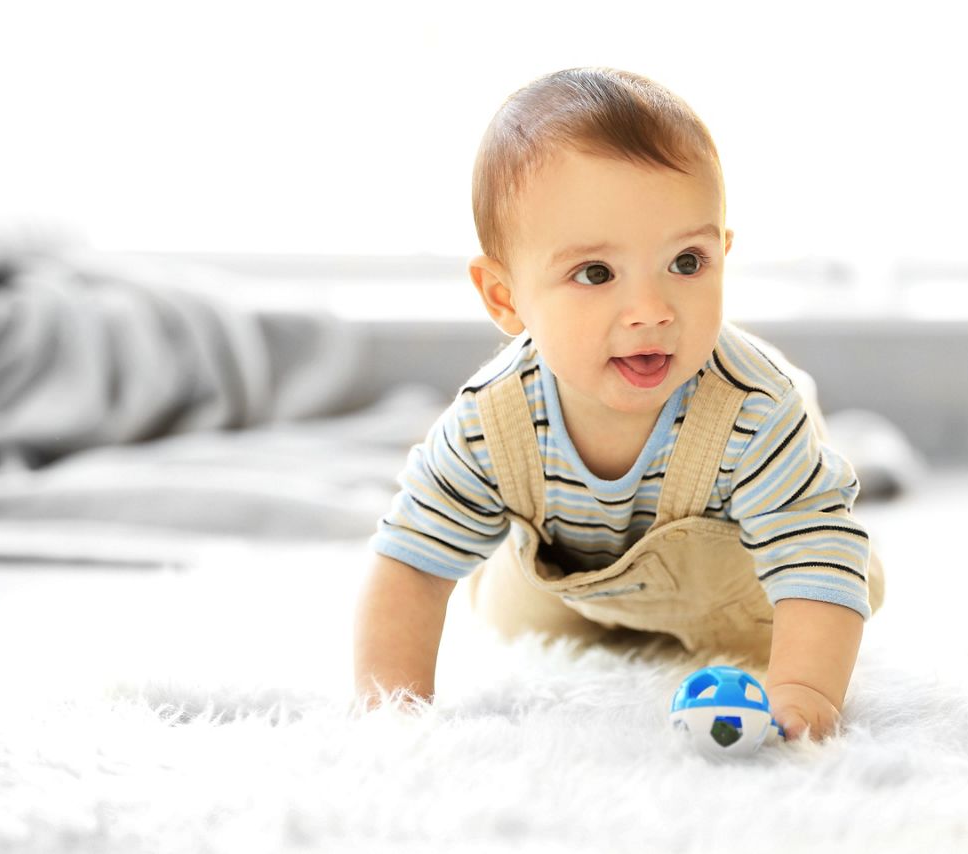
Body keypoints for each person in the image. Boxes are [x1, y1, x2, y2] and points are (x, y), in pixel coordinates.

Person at [354, 67, 885, 741]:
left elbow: (812, 555)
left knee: (840, 579)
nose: (652, 311)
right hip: (569, 584)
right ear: (504, 298)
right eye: (596, 274)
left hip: (738, 591)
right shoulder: (491, 423)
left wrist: (805, 694)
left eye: (686, 263)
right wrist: (391, 716)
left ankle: (828, 473)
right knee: (508, 608)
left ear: (723, 254)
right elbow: (410, 563)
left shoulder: (753, 408)